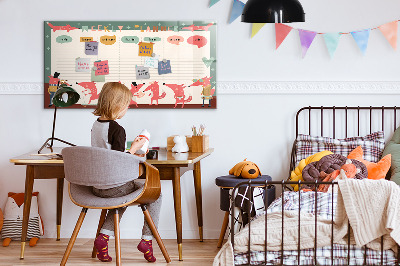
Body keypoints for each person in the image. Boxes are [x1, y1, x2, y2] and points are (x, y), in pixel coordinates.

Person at [91, 82, 161, 263]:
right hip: (114, 186)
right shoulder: (117, 129)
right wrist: (136, 148)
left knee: (121, 197)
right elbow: (119, 160)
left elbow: (108, 154)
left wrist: (130, 149)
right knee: (156, 194)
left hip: (97, 186)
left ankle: (103, 238)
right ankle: (147, 240)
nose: (126, 109)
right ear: (118, 105)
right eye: (127, 105)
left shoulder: (96, 125)